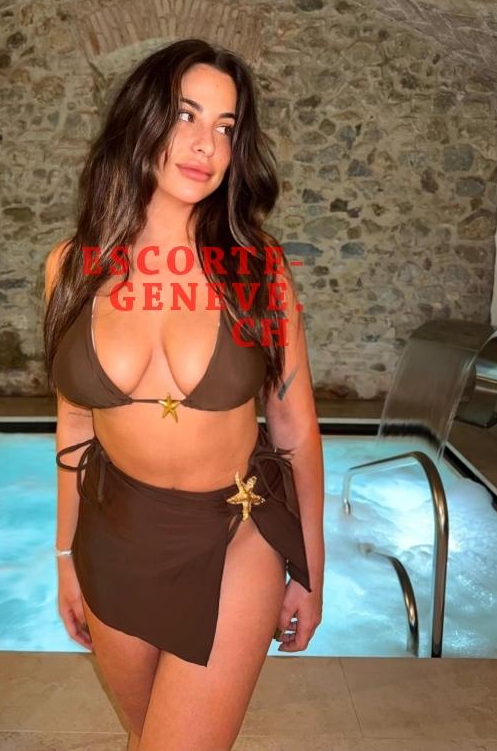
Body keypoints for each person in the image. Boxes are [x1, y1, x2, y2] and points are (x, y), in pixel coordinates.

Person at [43, 38, 324, 750]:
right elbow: (75, 425)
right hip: (114, 538)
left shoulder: (258, 268)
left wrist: (309, 569)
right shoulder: (71, 269)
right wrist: (66, 557)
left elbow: (294, 428)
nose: (207, 145)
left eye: (226, 127)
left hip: (236, 533)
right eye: (186, 115)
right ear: (140, 122)